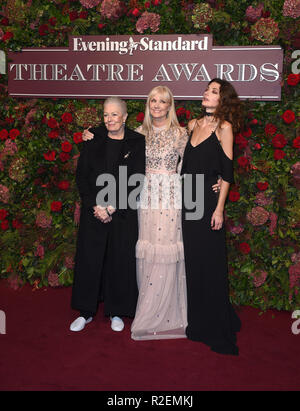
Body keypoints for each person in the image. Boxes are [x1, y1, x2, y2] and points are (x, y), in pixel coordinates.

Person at [70, 97, 145, 332]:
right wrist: (95, 206)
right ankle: (86, 312)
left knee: (119, 261)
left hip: (122, 214)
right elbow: (82, 177)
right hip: (95, 211)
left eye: (114, 114)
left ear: (124, 117)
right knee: (89, 260)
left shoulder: (137, 141)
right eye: (105, 114)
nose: (109, 119)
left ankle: (116, 312)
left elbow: (137, 180)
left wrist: (113, 207)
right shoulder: (93, 138)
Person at [181, 78, 243, 355]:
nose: (207, 93)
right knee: (194, 263)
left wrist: (219, 208)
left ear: (223, 99)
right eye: (207, 89)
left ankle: (216, 325)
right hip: (187, 200)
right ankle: (198, 322)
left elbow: (227, 174)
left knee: (211, 264)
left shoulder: (224, 128)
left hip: (207, 204)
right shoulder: (192, 124)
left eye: (214, 91)